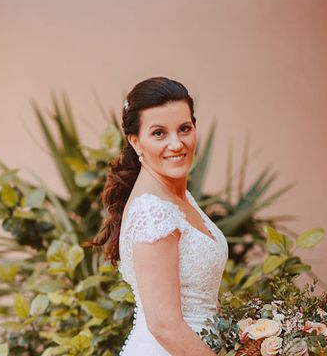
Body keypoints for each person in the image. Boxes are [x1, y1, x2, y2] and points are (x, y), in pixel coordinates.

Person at [89, 76, 228, 355]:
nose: (176, 144)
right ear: (135, 141)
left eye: (184, 129)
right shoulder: (153, 212)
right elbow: (165, 327)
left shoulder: (178, 197)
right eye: (159, 133)